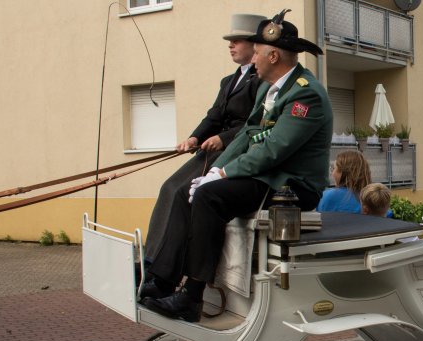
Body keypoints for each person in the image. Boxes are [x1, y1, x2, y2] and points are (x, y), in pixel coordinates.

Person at [141, 9, 332, 322]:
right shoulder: (273, 89)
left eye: (256, 53)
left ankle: (192, 297)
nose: (252, 59)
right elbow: (246, 135)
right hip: (269, 176)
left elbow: (274, 149)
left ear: (273, 55)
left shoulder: (305, 93)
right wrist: (214, 171)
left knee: (209, 197)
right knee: (185, 191)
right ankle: (163, 280)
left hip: (293, 185)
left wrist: (224, 173)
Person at [143, 14, 264, 263]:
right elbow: (215, 115)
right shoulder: (229, 81)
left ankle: (164, 266)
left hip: (233, 151)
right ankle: (150, 260)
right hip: (212, 148)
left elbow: (256, 121)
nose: (230, 45)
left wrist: (223, 138)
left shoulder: (260, 79)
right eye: (230, 41)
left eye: (237, 40)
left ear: (255, 45)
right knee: (169, 188)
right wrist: (194, 137)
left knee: (181, 193)